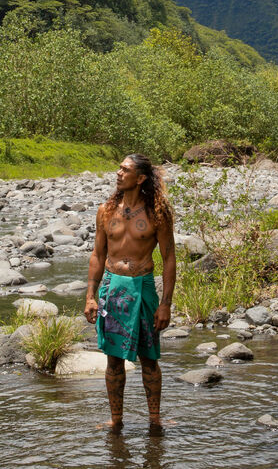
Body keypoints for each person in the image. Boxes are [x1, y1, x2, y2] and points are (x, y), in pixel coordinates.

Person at [84, 153, 177, 434]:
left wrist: (166, 304)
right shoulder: (106, 210)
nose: (118, 173)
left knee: (149, 358)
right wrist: (90, 296)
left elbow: (169, 258)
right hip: (112, 288)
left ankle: (155, 419)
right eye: (119, 169)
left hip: (143, 287)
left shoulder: (157, 213)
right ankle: (116, 420)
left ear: (140, 178)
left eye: (125, 170)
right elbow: (98, 254)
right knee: (113, 359)